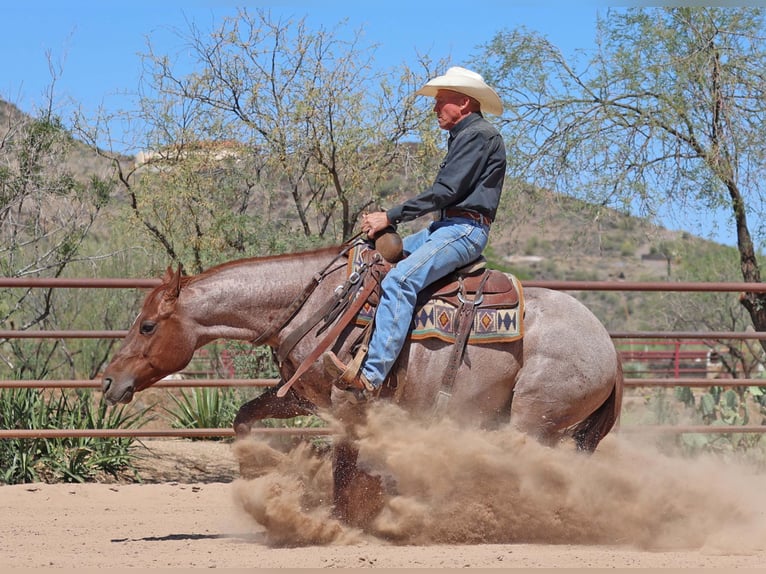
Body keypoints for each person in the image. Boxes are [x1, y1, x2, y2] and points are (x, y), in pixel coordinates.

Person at [324, 66, 507, 399]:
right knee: (372, 263)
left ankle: (371, 377)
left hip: (464, 230)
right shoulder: (465, 135)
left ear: (464, 103)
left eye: (441, 101)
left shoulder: (479, 135)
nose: (435, 108)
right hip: (446, 228)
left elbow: (445, 191)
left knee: (400, 280)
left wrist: (389, 217)